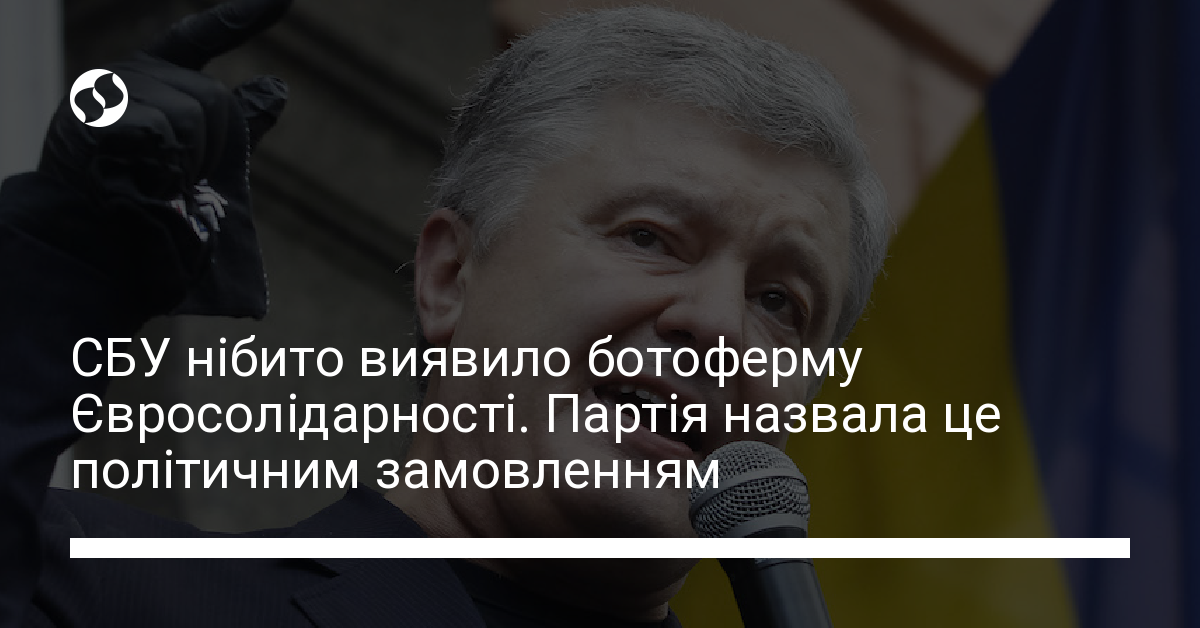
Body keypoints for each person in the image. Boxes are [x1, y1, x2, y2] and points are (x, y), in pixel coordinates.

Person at [0, 0, 889, 626]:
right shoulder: (101, 590)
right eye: (651, 237)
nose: (720, 326)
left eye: (780, 301)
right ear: (450, 278)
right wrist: (46, 290)